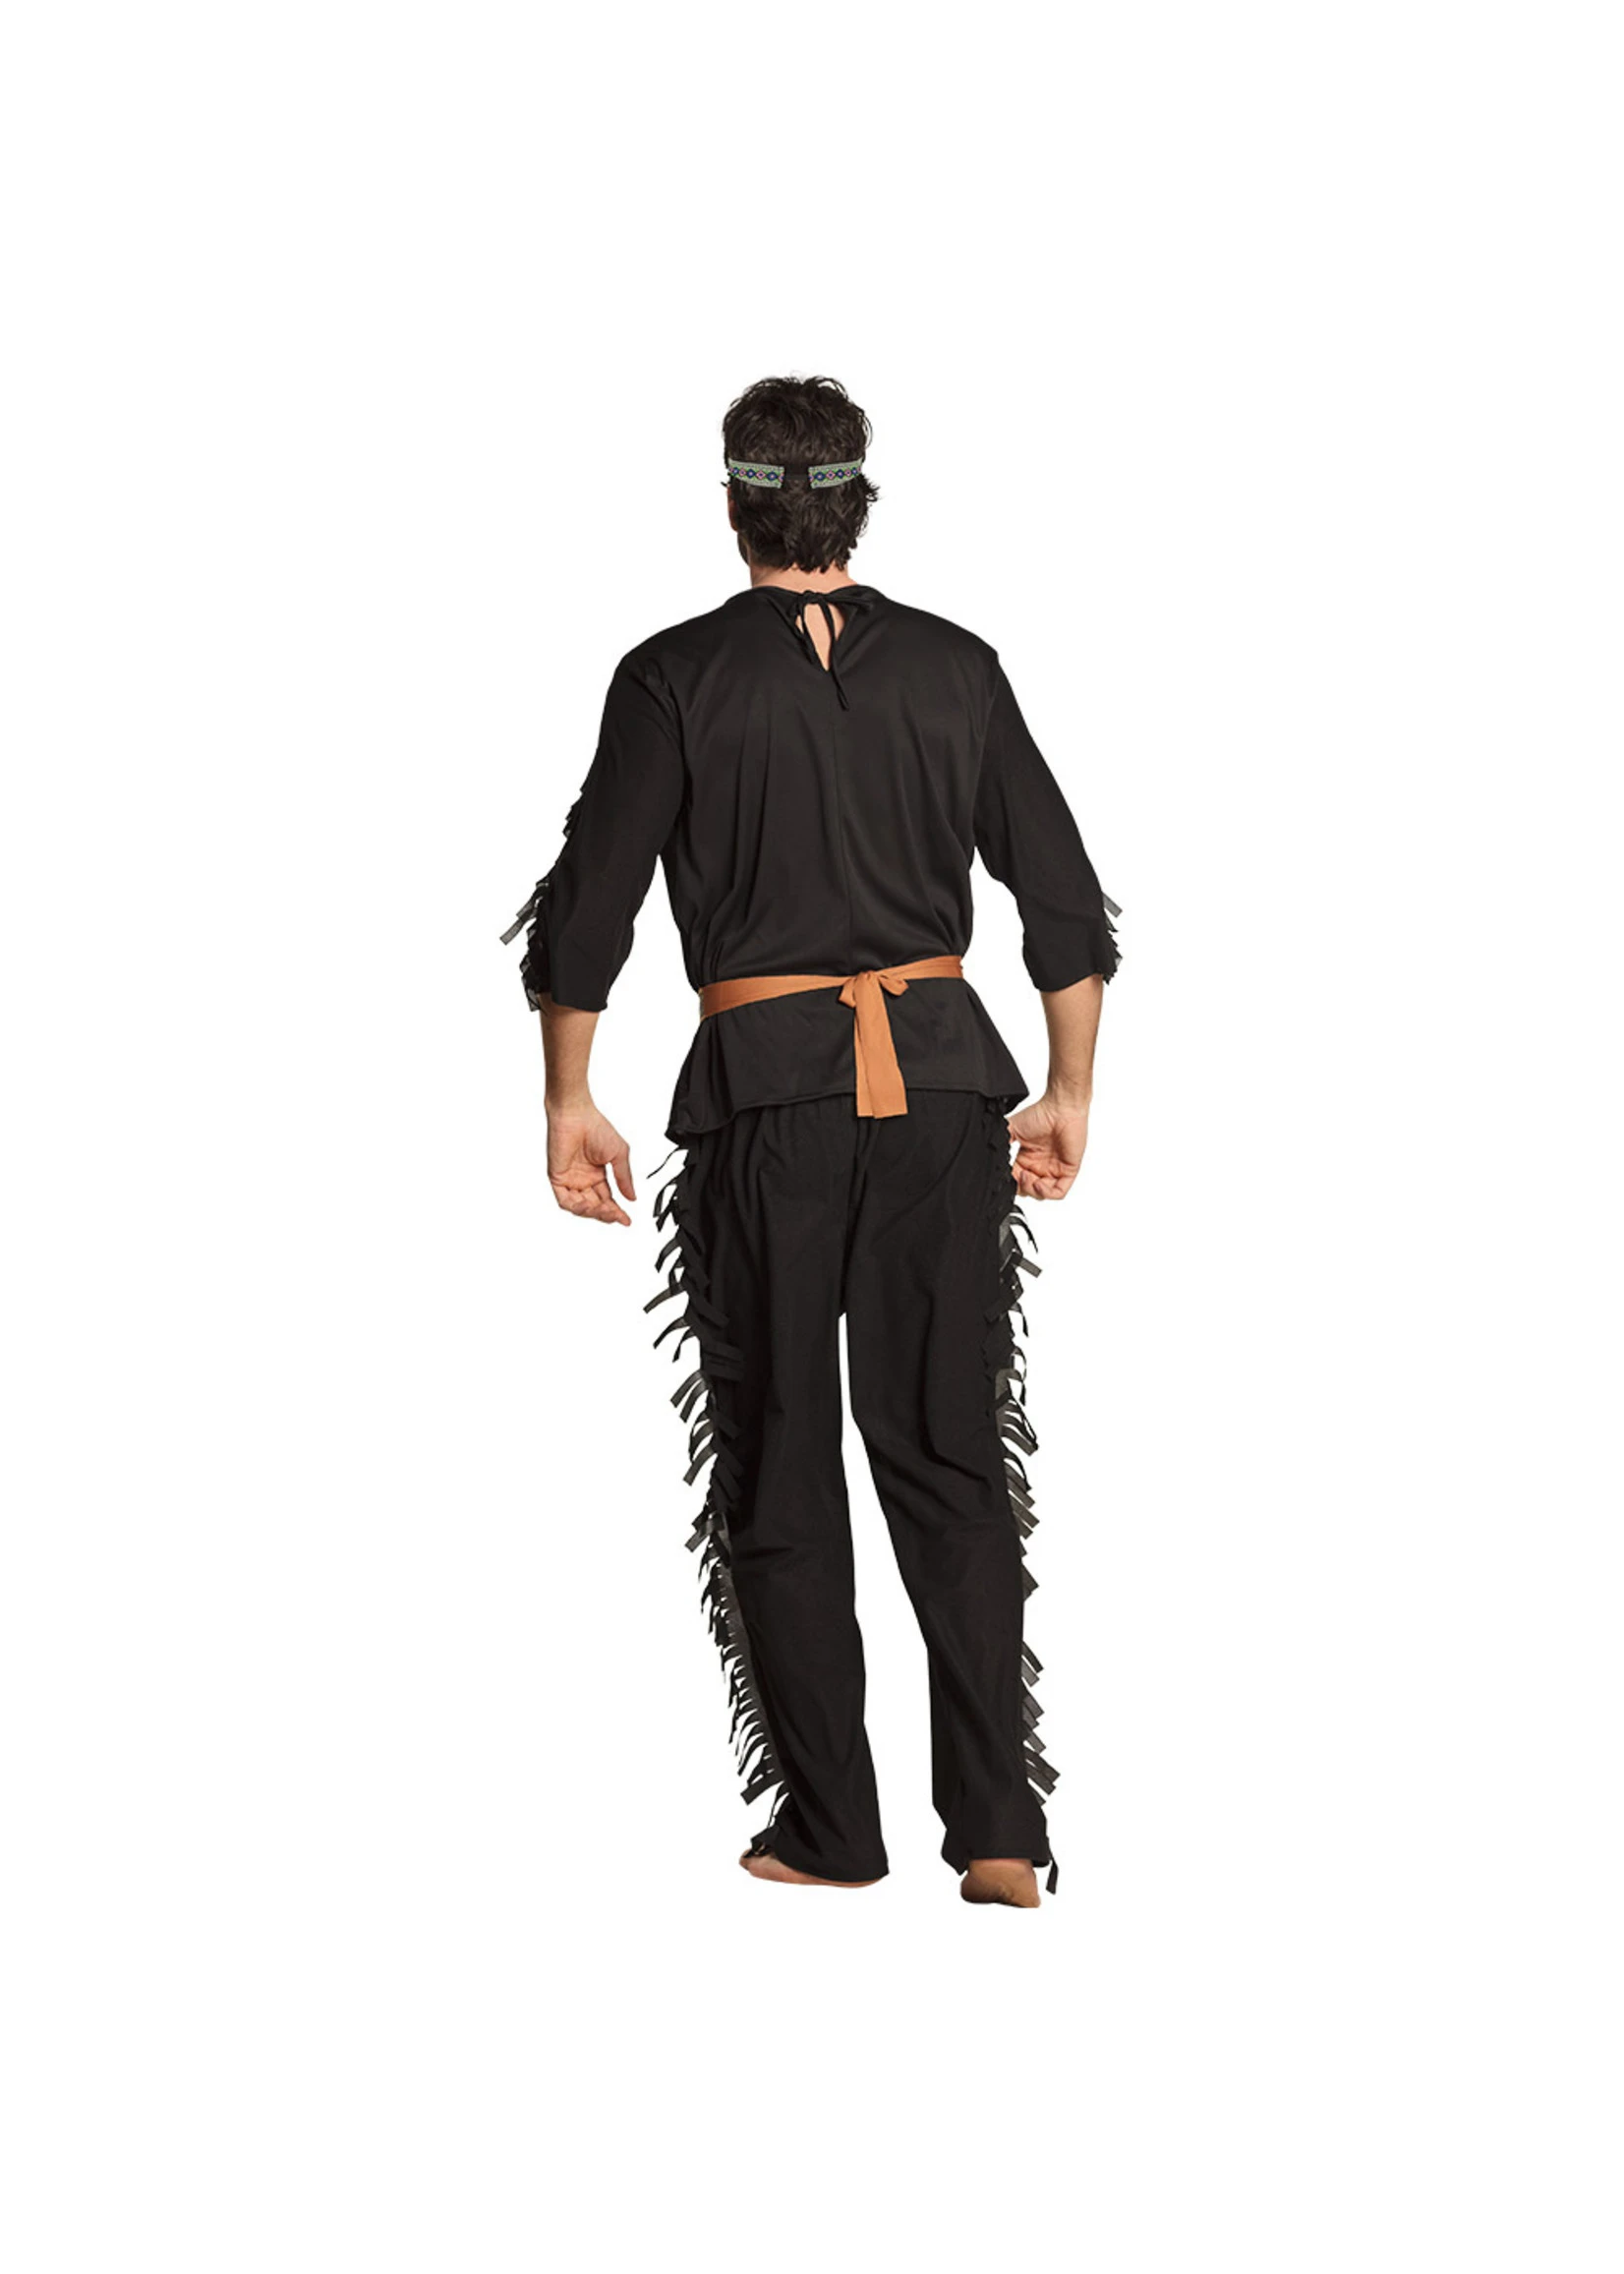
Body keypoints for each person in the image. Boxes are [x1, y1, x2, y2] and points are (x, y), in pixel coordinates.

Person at [503, 375, 1119, 1908]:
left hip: (767, 1101)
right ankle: (999, 1829)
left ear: (736, 507)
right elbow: (1061, 897)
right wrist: (1069, 1091)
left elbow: (591, 903)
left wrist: (569, 1098)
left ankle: (835, 1831)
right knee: (952, 1454)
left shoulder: (673, 675)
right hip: (947, 1097)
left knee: (778, 1458)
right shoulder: (958, 666)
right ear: (858, 503)